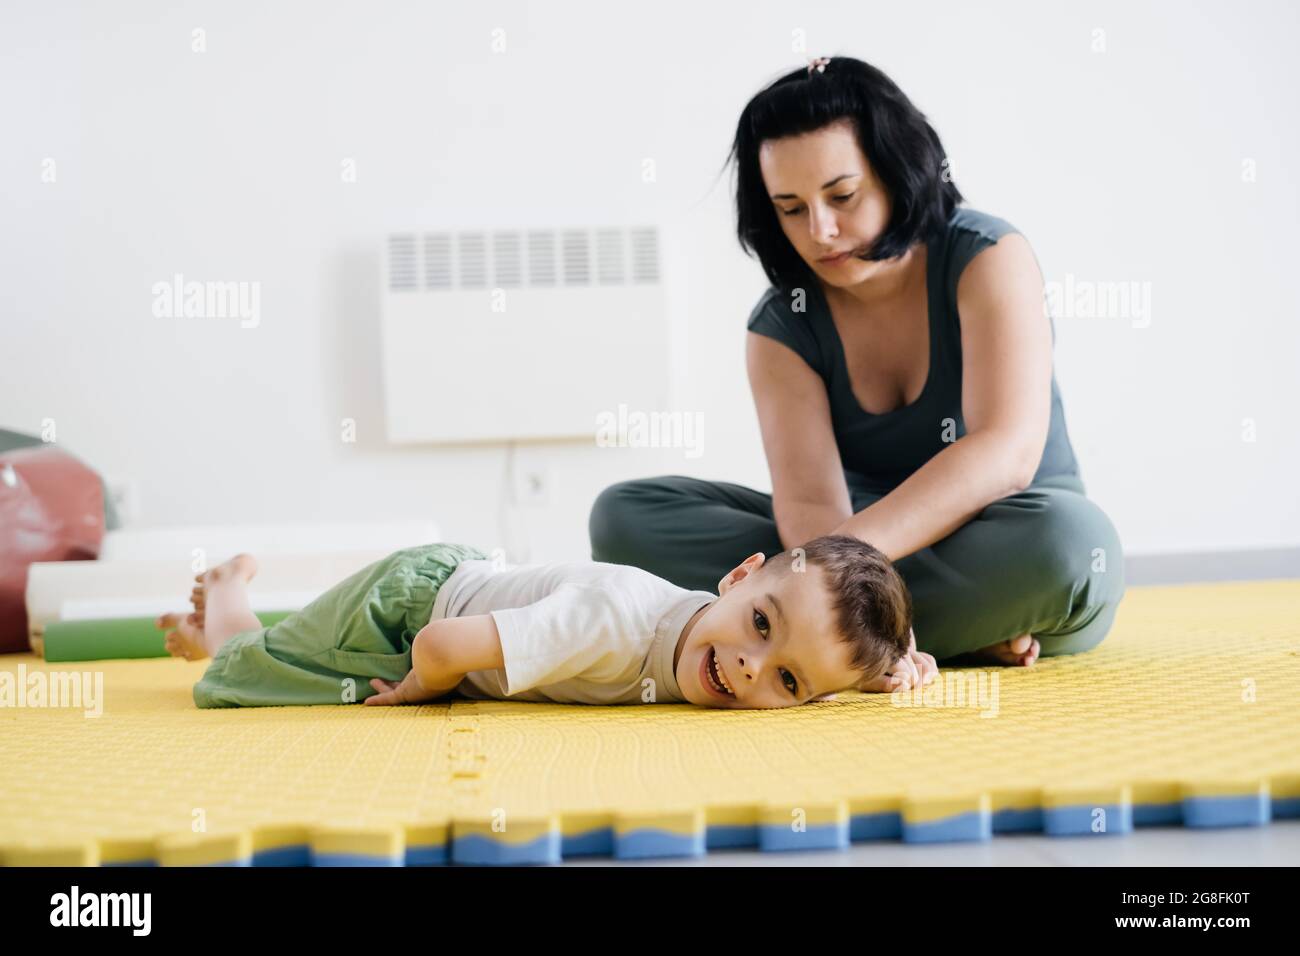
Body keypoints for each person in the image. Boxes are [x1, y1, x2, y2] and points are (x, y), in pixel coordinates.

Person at [589, 55, 1126, 668]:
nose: (820, 230)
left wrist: (822, 578)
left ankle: (827, 637)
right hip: (851, 556)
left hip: (1003, 535)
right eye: (791, 208)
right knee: (624, 518)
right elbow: (811, 512)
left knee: (1074, 546)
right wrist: (841, 575)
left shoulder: (988, 257)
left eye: (841, 195)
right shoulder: (781, 324)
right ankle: (930, 629)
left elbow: (1004, 456)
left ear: (898, 172)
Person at [156, 534, 930, 711]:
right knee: (241, 676)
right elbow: (439, 645)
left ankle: (225, 623)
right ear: (734, 578)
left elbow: (828, 673)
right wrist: (426, 689)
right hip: (405, 614)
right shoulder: (613, 626)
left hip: (465, 597)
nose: (754, 668)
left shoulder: (712, 637)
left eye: (790, 682)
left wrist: (885, 671)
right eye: (760, 624)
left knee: (293, 651)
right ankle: (224, 596)